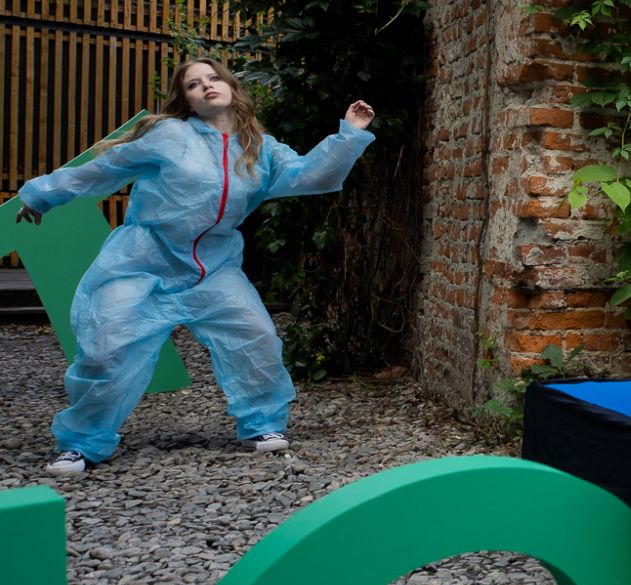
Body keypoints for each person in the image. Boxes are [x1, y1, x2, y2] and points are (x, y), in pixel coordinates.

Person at [12, 57, 377, 474]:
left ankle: (261, 424)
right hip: (143, 261)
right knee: (105, 348)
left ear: (231, 86)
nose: (206, 86)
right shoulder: (168, 135)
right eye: (193, 84)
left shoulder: (260, 148)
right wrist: (42, 194)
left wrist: (349, 135)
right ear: (184, 99)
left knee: (256, 335)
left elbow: (309, 175)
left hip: (213, 268)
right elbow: (105, 168)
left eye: (213, 78)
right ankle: (80, 443)